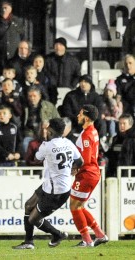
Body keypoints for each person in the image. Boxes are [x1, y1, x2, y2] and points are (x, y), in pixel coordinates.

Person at [13, 118, 82, 249]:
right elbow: (80, 161)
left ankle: (57, 234)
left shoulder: (47, 146)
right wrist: (72, 169)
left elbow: (37, 158)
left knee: (32, 219)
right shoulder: (68, 143)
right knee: (28, 205)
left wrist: (45, 141)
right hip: (51, 186)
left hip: (56, 193)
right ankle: (28, 242)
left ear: (50, 130)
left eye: (48, 127)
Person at [70, 104, 108, 247]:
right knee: (79, 205)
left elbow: (85, 159)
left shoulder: (86, 135)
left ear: (86, 117)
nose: (78, 116)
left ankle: (87, 240)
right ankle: (100, 234)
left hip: (87, 173)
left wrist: (75, 168)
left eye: (80, 114)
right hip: (92, 172)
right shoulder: (93, 131)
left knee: (74, 206)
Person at [59, 75, 106, 139]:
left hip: (91, 123)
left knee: (101, 123)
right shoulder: (71, 96)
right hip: (75, 122)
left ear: (90, 84)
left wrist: (88, 120)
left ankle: (101, 143)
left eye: (86, 82)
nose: (83, 84)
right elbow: (66, 111)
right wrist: (79, 119)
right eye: (81, 82)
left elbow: (98, 112)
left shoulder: (96, 97)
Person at [21, 86, 59, 153]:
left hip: (46, 134)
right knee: (25, 143)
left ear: (40, 96)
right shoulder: (24, 107)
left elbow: (58, 121)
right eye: (30, 96)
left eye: (34, 96)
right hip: (30, 133)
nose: (32, 98)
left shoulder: (49, 106)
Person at [0, 0, 25, 67]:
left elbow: (22, 36)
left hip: (14, 55)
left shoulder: (17, 21)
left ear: (10, 9)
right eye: (2, 8)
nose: (3, 10)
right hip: (0, 56)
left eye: (5, 8)